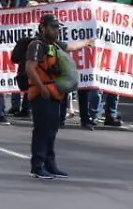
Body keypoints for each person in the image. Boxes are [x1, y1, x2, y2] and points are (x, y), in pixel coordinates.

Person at [23, 14, 93, 180]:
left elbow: (70, 47)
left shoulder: (53, 44)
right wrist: (42, 88)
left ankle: (50, 164)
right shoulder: (36, 45)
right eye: (53, 27)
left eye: (57, 27)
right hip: (40, 93)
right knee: (42, 130)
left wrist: (86, 42)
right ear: (43, 28)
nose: (56, 30)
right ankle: (37, 167)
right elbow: (30, 68)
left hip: (53, 92)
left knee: (52, 130)